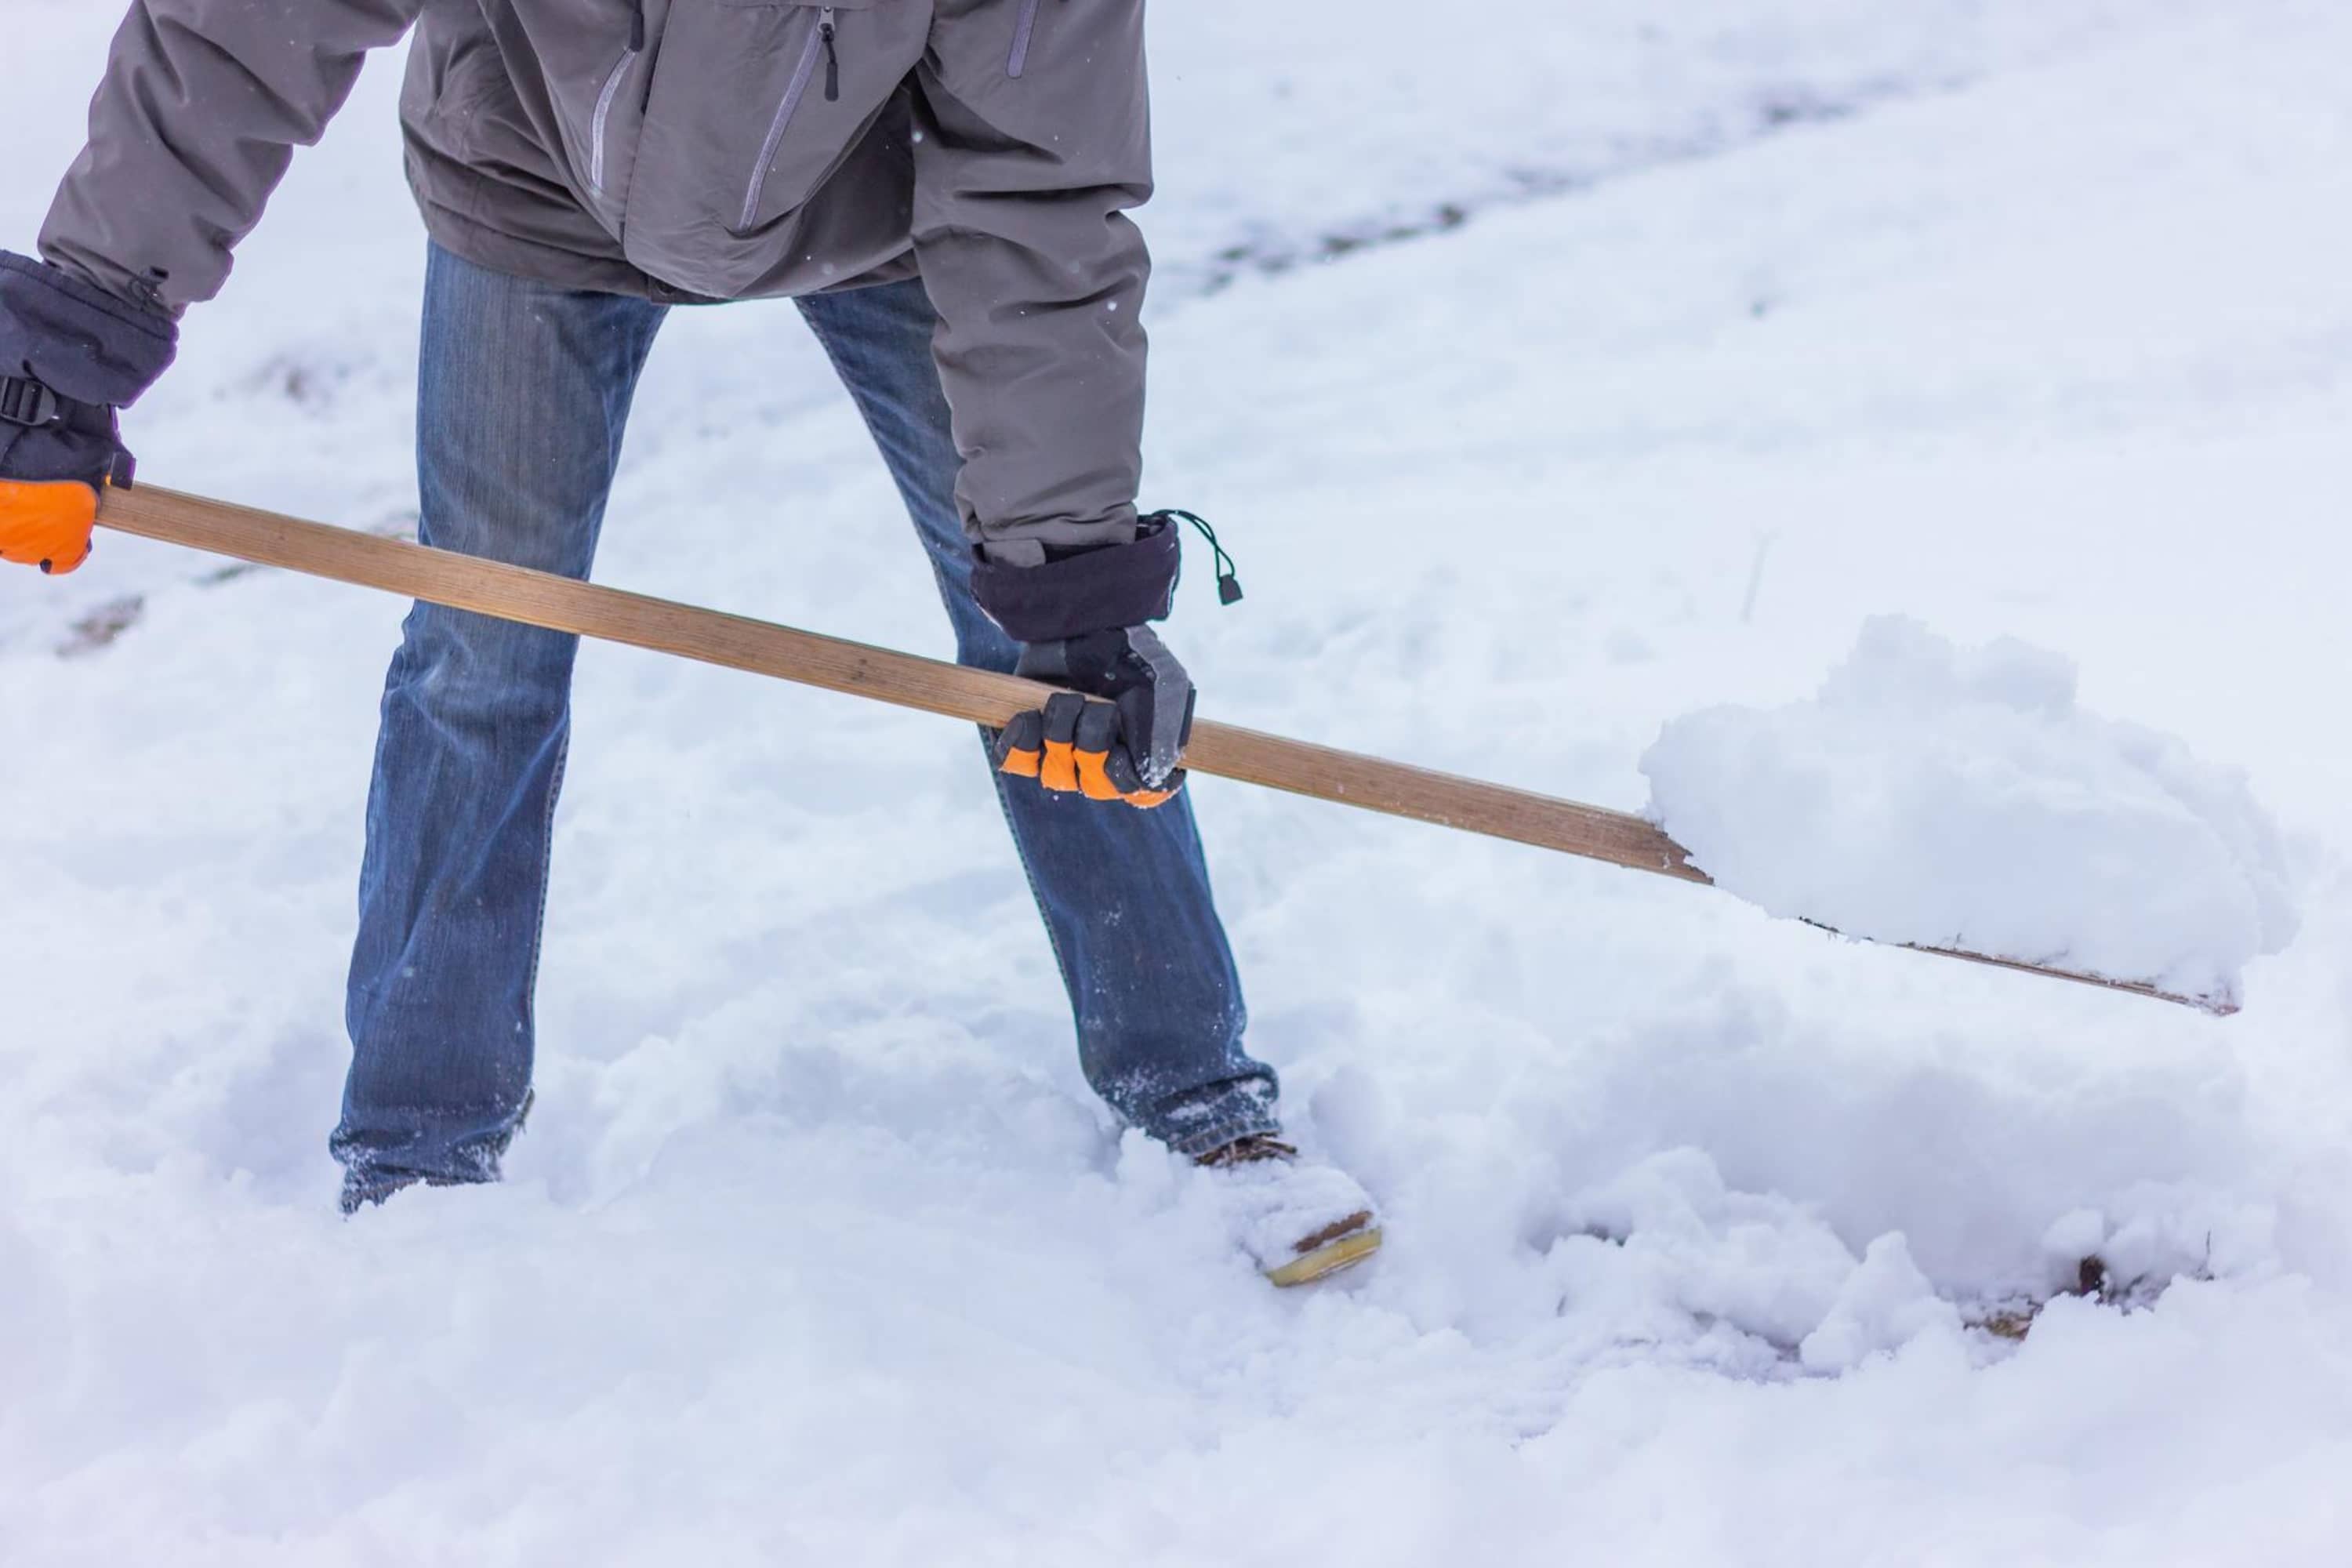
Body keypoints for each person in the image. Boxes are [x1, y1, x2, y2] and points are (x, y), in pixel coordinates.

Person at [0, 0, 1378, 1285]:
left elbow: (1039, 196)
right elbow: (248, 23)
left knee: (1052, 670)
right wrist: (79, 327)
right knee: (486, 655)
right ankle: (420, 1160)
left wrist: (1072, 586)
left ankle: (1197, 1096)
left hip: (879, 199)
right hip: (529, 177)